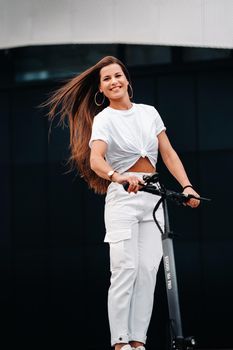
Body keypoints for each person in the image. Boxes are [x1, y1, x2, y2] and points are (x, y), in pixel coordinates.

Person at [45, 56, 200, 350]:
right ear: (101, 90)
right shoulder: (105, 120)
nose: (114, 81)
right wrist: (117, 177)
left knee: (148, 270)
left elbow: (167, 153)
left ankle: (137, 342)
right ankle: (119, 343)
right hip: (123, 198)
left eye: (118, 75)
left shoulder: (148, 113)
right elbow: (95, 159)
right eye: (107, 79)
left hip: (153, 198)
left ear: (127, 80)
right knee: (125, 269)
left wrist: (187, 186)